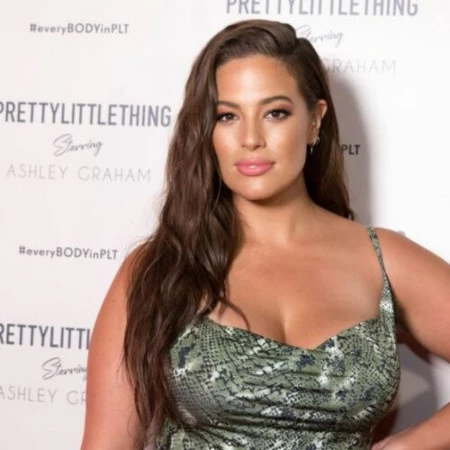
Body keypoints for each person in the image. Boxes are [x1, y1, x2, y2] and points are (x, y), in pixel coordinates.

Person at [80, 19, 450, 450]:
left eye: (275, 113)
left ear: (314, 121)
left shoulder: (382, 260)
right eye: (227, 116)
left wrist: (409, 445)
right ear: (207, 132)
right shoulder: (160, 269)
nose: (251, 138)